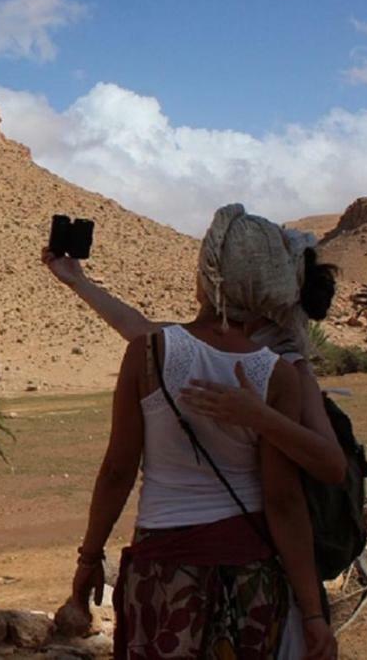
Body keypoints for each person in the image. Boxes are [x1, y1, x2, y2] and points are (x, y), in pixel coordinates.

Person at [57, 205, 338, 659]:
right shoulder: (279, 374)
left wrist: (89, 559)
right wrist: (312, 614)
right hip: (250, 575)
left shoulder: (149, 352)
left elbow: (116, 472)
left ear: (206, 274)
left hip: (164, 573)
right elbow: (283, 501)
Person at [43, 223, 346, 485]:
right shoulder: (209, 342)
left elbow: (332, 466)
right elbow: (137, 326)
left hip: (257, 539)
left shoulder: (289, 364)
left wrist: (261, 417)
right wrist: (78, 281)